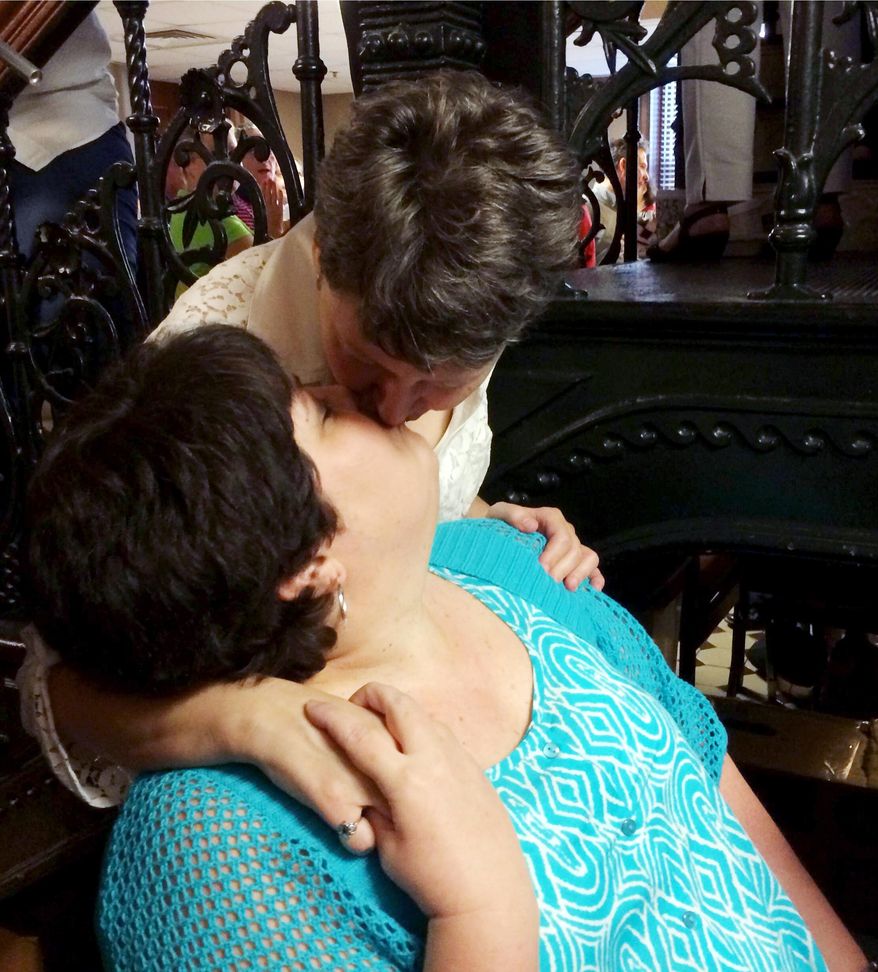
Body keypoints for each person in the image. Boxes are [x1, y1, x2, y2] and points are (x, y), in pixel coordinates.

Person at [25, 326, 867, 971]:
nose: (355, 392)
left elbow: (712, 786)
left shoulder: (507, 561)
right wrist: (481, 914)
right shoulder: (213, 858)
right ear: (306, 562)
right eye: (318, 409)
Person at [17, 70, 604, 832]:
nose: (394, 412)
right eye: (366, 368)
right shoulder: (212, 365)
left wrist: (482, 515)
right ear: (324, 254)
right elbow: (52, 685)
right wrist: (241, 718)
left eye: (441, 386)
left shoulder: (459, 299)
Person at [588, 136, 656, 263]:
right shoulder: (587, 208)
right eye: (642, 166)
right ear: (623, 165)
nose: (647, 176)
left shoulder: (632, 209)